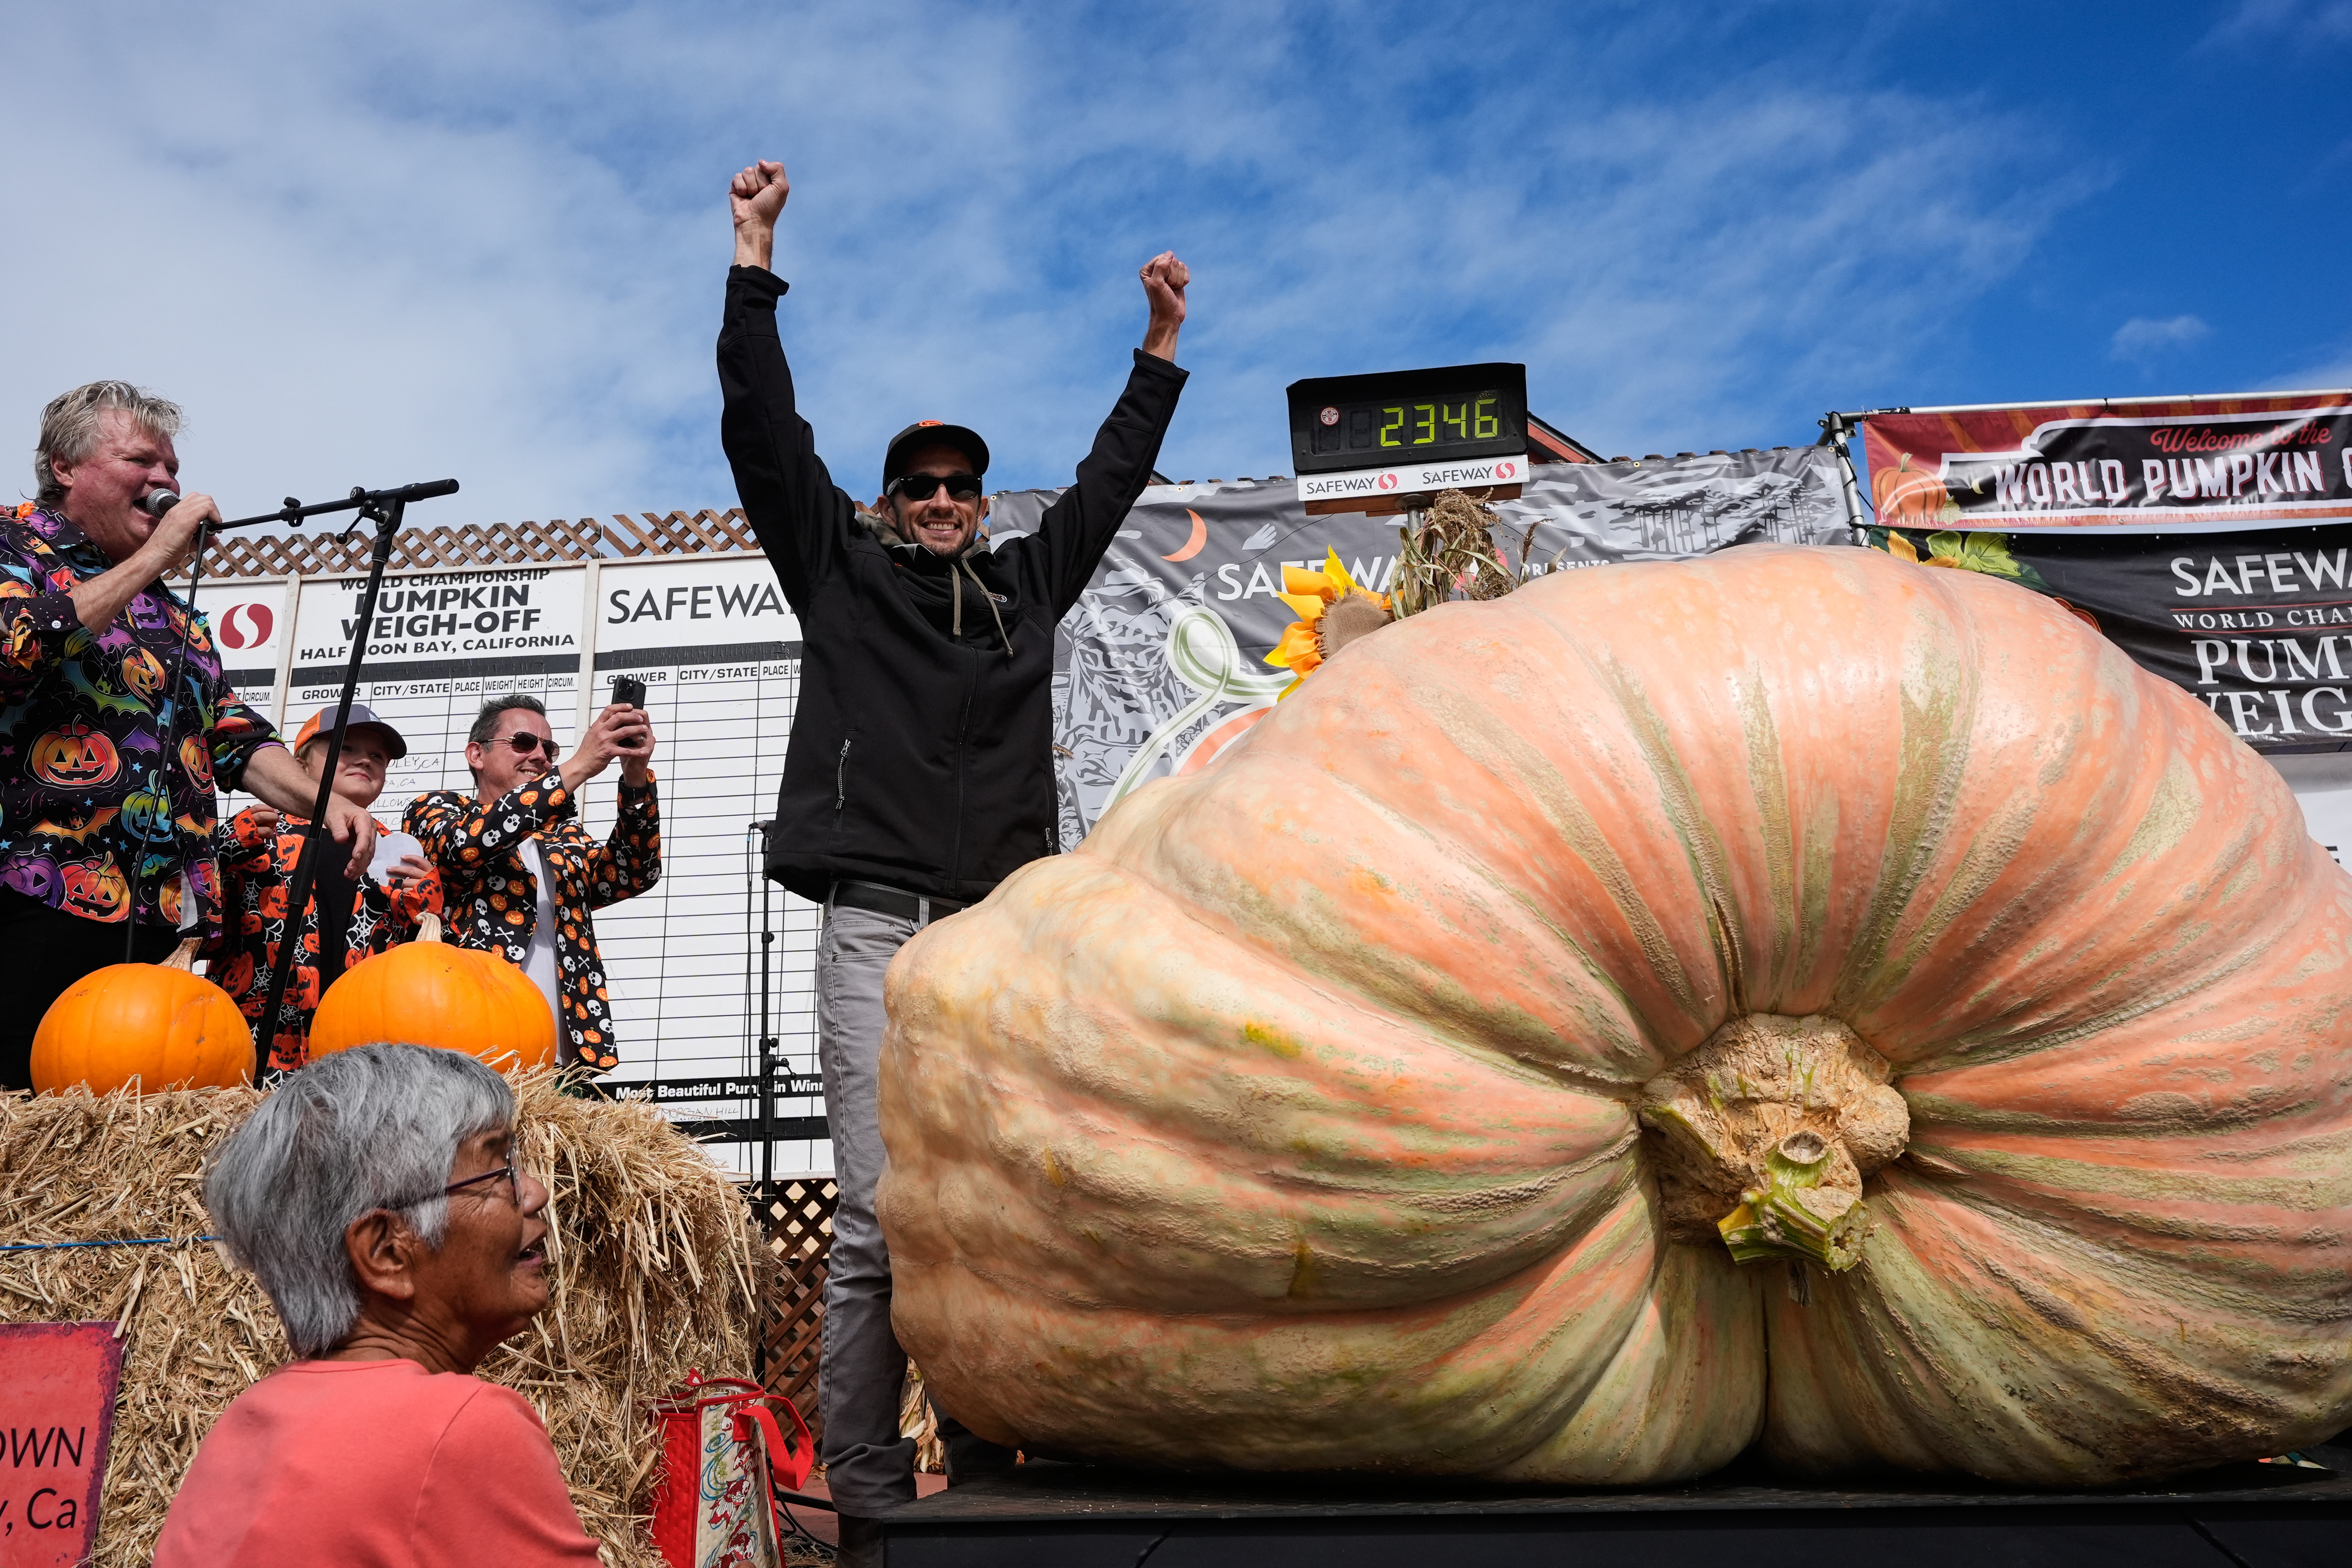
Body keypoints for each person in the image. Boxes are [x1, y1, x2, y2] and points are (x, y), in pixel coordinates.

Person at [717, 155, 1190, 1551]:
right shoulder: (838, 570)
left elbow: (1108, 481)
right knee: (873, 1213)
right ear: (883, 501)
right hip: (873, 922)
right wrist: (753, 262)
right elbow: (762, 433)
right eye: (917, 483)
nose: (938, 499)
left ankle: (986, 1444)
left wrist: (1156, 352)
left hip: (992, 934)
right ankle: (864, 1480)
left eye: (958, 485)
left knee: (992, 1200)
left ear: (982, 504)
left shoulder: (1029, 584)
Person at [0, 382, 376, 1091]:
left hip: (159, 915)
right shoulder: (12, 542)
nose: (166, 480)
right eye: (142, 460)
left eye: (171, 467)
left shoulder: (173, 611)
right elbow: (13, 643)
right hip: (33, 891)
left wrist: (320, 798)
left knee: (127, 1135)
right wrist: (152, 558)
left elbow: (231, 734)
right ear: (65, 468)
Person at [153, 1043, 600, 1566]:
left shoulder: (240, 1427)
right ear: (387, 1251)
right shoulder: (464, 1428)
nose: (535, 1192)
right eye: (499, 1170)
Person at [403, 693, 659, 1072]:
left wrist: (635, 777)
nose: (539, 755)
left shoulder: (565, 836)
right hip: (471, 1040)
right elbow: (468, 845)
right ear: (477, 755)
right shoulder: (438, 810)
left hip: (565, 1051)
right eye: (523, 743)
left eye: (549, 748)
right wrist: (580, 765)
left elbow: (632, 874)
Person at [209, 704, 441, 1073]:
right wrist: (224, 848)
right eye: (346, 748)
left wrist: (429, 913)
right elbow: (194, 930)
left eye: (378, 757)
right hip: (254, 1052)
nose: (365, 760)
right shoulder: (258, 829)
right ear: (299, 765)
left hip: (359, 1057)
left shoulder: (400, 852)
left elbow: (421, 976)